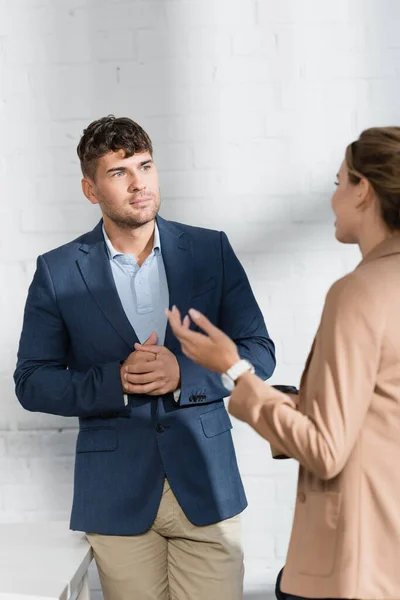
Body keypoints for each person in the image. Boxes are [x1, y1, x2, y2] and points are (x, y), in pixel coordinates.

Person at [14, 115, 276, 600]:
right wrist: (115, 381)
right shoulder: (57, 271)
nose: (140, 184)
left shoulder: (209, 249)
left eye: (146, 166)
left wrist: (184, 373)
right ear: (90, 190)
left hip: (206, 483)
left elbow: (260, 352)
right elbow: (31, 381)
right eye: (119, 173)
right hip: (116, 495)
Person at [166, 127, 400, 600]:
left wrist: (234, 368)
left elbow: (325, 448)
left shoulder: (358, 293)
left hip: (356, 562)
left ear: (364, 192)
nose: (333, 198)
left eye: (338, 183)